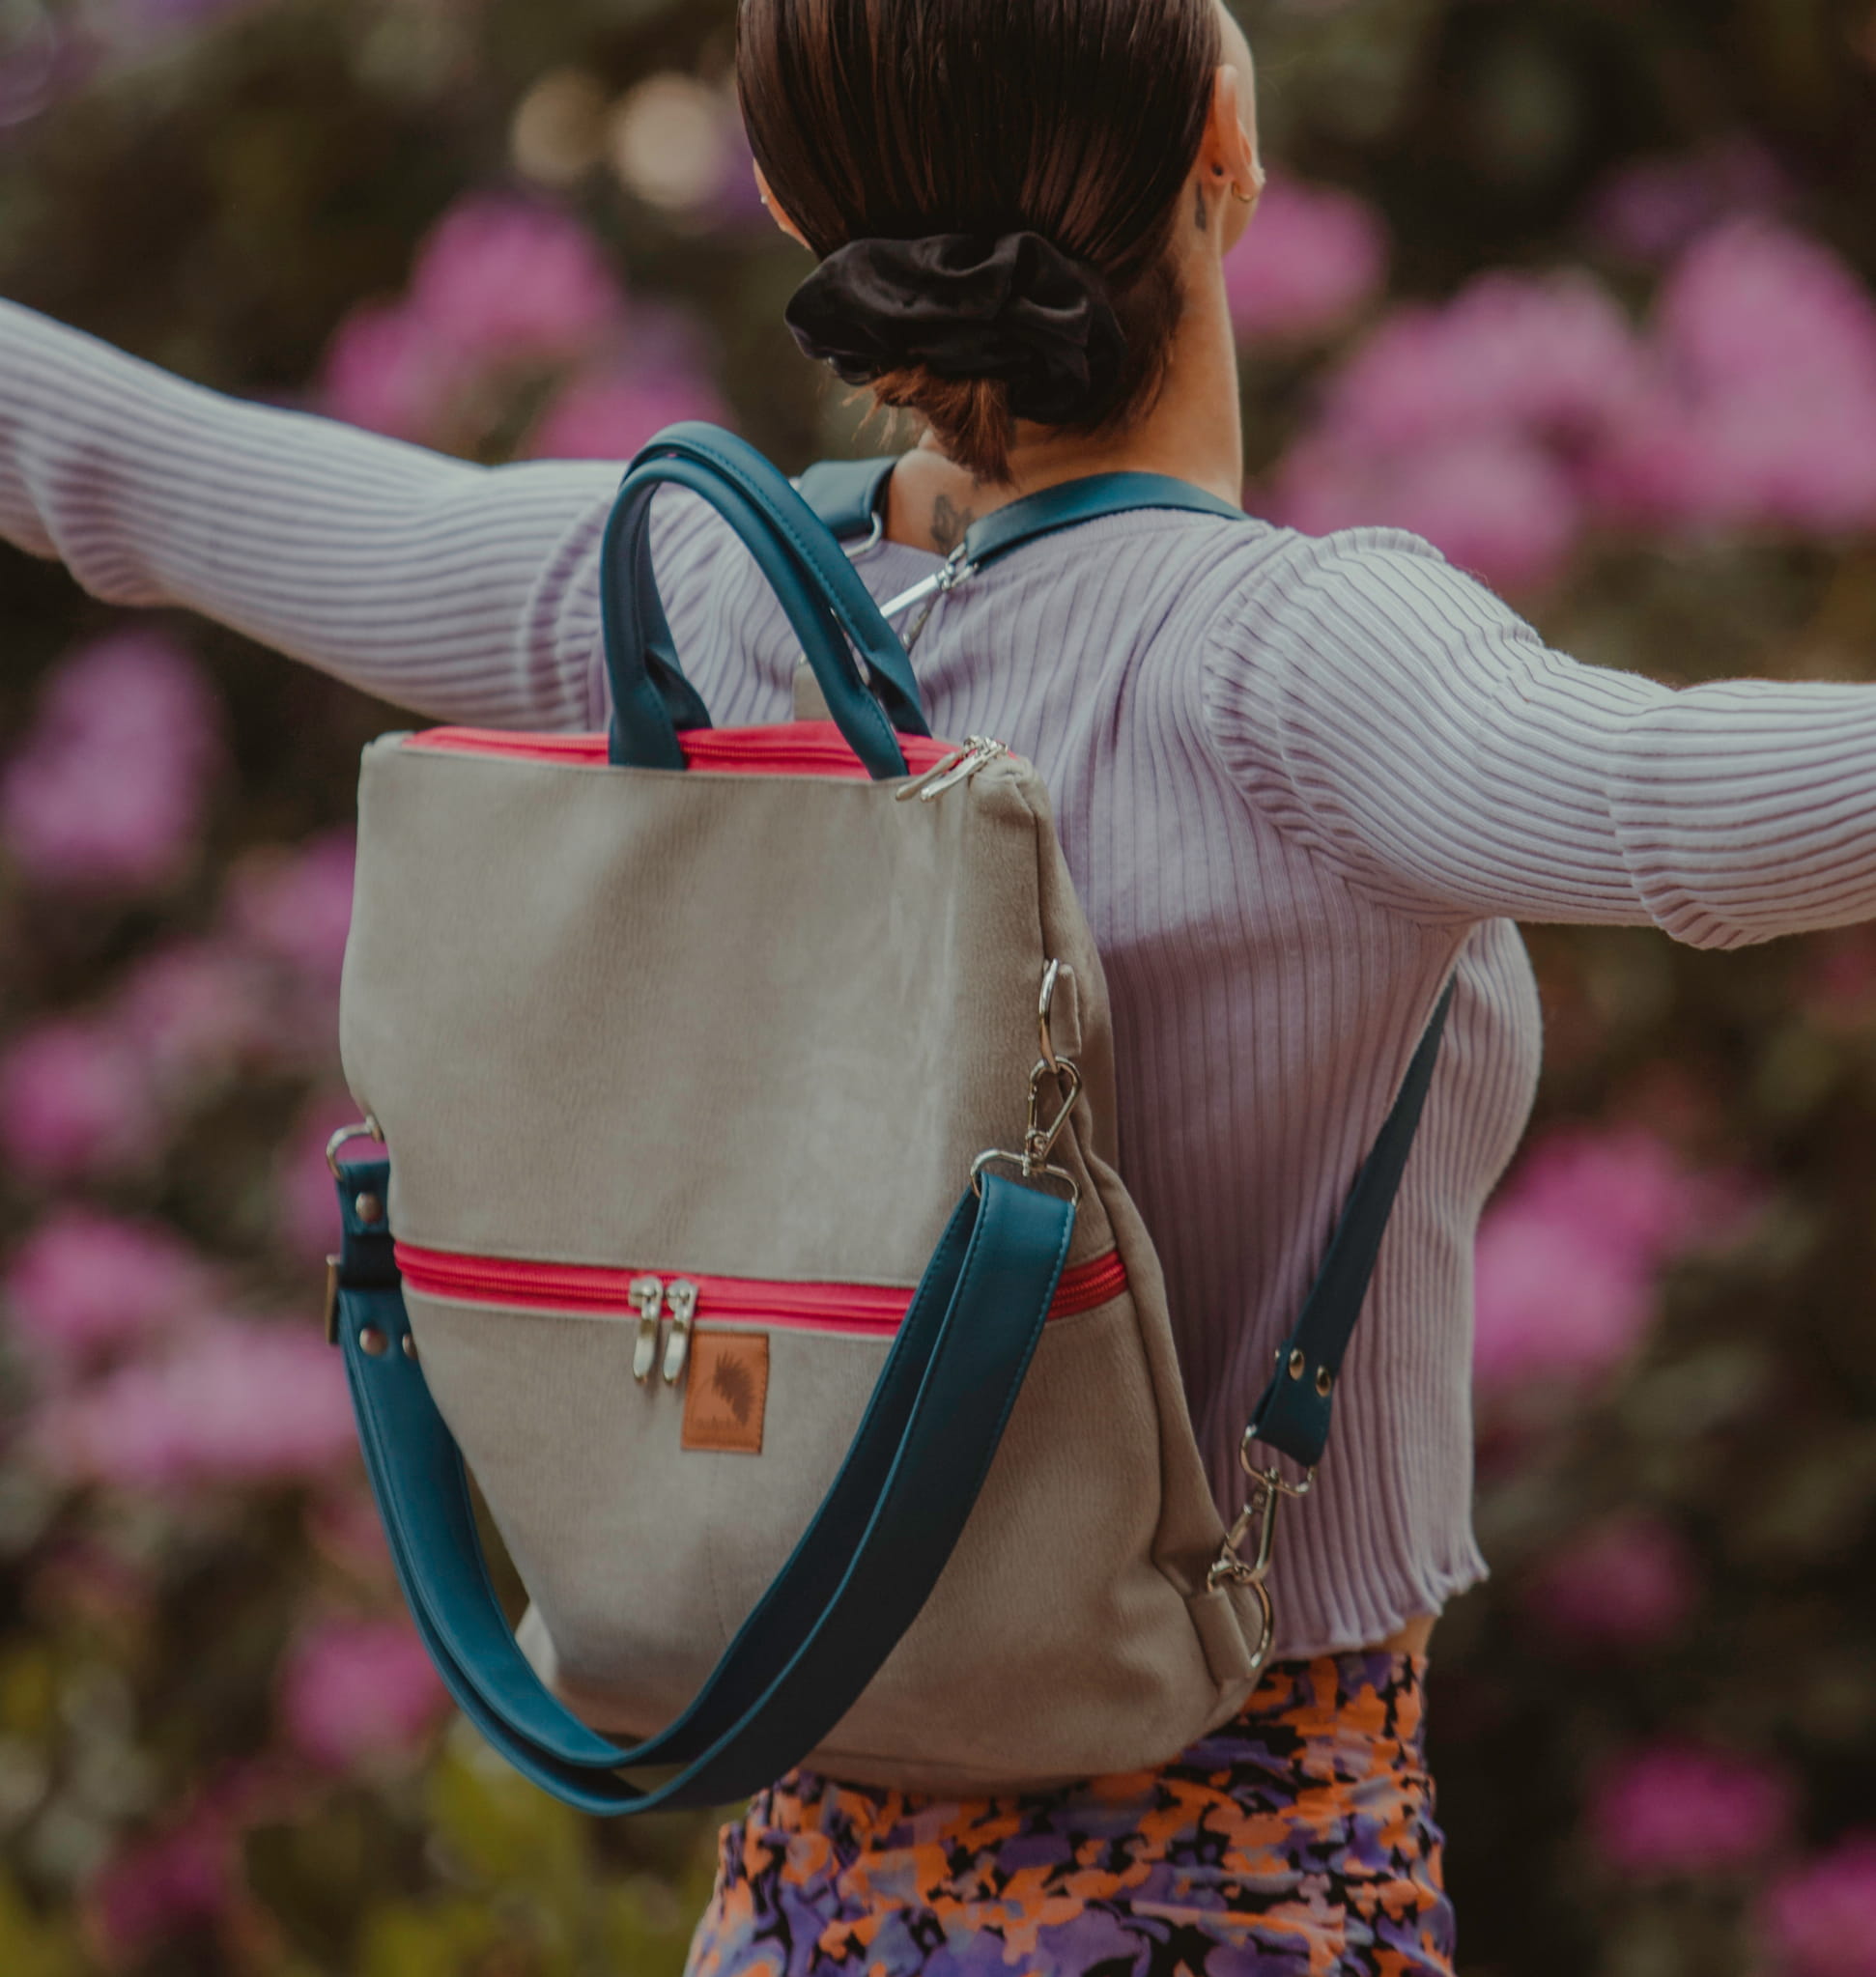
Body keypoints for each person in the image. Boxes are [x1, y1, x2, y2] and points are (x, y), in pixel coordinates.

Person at [4, 0, 1876, 1968]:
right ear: (1226, 140)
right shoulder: (1291, 671)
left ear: (792, 203)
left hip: (797, 1910)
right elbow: (1667, 806)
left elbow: (130, 477)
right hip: (1226, 1899)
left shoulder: (691, 594)